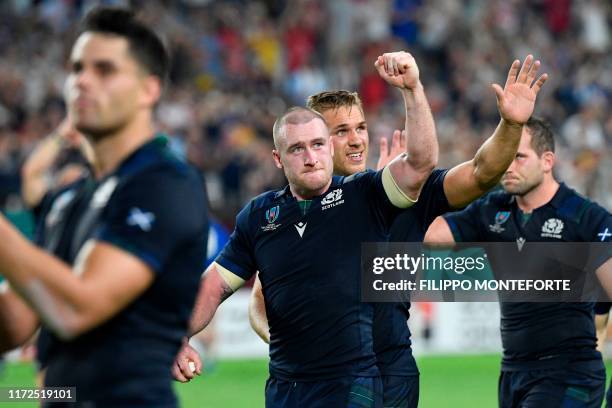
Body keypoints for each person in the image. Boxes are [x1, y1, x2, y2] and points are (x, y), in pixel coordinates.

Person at [174, 52, 545, 406]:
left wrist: (510, 124)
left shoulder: (387, 192)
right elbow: (259, 301)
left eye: (361, 128)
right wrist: (296, 345)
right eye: (339, 132)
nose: (355, 140)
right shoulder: (268, 214)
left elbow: (479, 173)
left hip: (386, 370)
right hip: (301, 379)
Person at [0, 7, 209, 407]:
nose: (82, 81)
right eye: (77, 68)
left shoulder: (166, 183)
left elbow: (77, 307)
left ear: (149, 90)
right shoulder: (67, 200)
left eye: (105, 70)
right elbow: (14, 323)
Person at [424, 117, 612, 407]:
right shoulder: (491, 210)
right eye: (503, 159)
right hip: (513, 374)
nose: (507, 167)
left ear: (547, 161)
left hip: (570, 373)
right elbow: (431, 237)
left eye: (519, 157)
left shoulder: (585, 218)